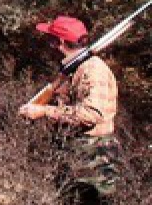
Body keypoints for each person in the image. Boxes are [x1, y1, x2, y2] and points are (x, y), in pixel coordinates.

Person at [19, 16, 119, 204]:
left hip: (94, 154)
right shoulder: (73, 68)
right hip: (77, 149)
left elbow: (92, 114)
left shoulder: (92, 70)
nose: (48, 45)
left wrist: (44, 111)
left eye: (51, 40)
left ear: (60, 42)